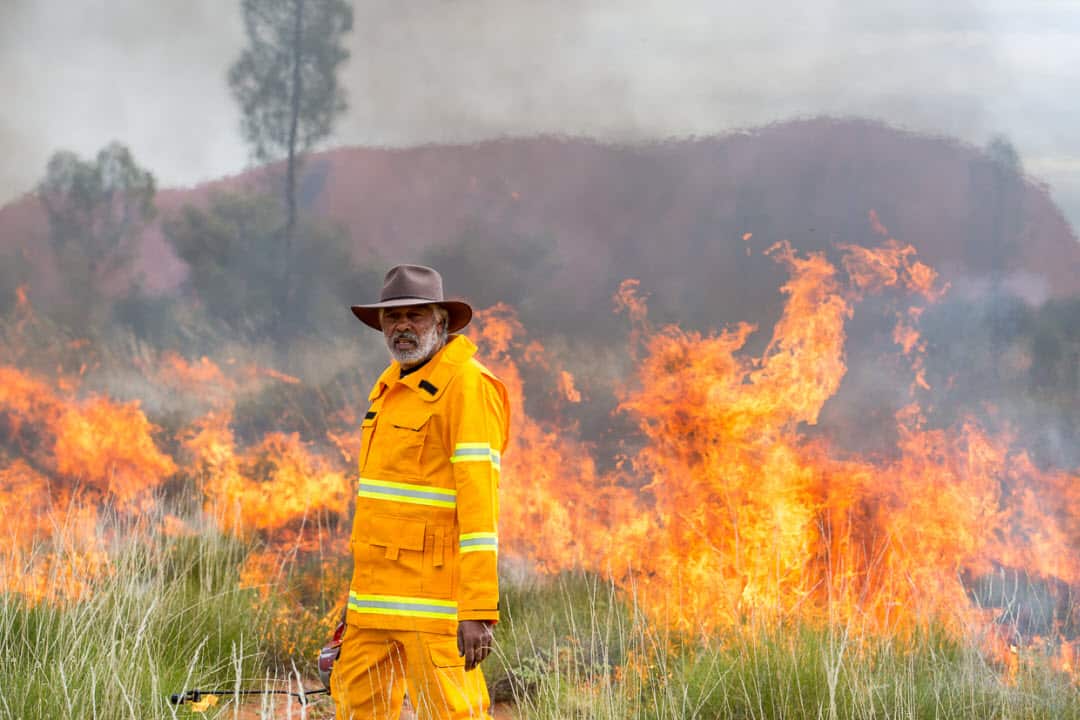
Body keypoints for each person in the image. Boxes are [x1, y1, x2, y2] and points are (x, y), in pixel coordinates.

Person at [330, 264, 510, 720]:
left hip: (434, 608)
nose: (403, 327)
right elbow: (380, 509)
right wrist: (350, 613)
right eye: (393, 318)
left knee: (453, 714)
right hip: (372, 606)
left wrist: (477, 609)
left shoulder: (468, 387)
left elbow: (479, 506)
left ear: (442, 322)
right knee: (354, 711)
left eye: (416, 315)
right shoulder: (389, 388)